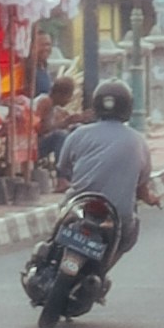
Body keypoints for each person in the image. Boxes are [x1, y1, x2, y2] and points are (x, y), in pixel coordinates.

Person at [57, 84, 150, 259]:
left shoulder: (78, 134)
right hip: (117, 215)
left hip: (78, 205)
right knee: (129, 233)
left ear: (96, 105)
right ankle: (103, 266)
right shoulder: (138, 141)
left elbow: (63, 168)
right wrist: (151, 198)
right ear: (128, 107)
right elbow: (141, 184)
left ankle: (48, 254)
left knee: (60, 224)